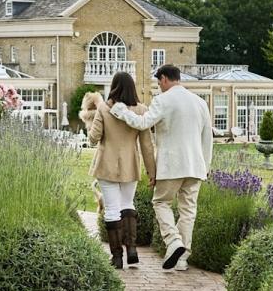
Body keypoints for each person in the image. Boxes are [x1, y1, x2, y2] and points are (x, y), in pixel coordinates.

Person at [109, 64, 213, 271]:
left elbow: (142, 123)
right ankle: (182, 259)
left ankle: (174, 242)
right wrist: (206, 166)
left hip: (172, 165)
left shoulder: (162, 101)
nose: (159, 87)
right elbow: (207, 137)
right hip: (196, 166)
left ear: (165, 79)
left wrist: (120, 110)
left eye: (158, 83)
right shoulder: (200, 102)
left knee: (161, 203)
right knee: (188, 211)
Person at [84, 72, 156, 269]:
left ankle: (117, 257)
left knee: (112, 210)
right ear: (132, 88)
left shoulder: (104, 109)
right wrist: (152, 172)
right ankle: (132, 249)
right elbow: (147, 145)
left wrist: (89, 123)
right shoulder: (142, 110)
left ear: (113, 87)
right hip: (130, 164)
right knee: (127, 204)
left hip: (106, 164)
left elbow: (93, 138)